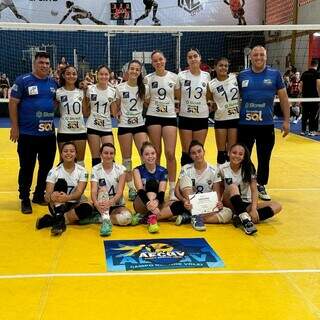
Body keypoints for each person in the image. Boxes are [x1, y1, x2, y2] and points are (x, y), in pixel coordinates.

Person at [237, 45, 290, 201]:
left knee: (264, 157)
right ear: (251, 57)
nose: (258, 57)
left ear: (266, 57)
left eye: (261, 55)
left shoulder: (275, 75)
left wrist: (286, 120)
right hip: (245, 124)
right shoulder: (242, 75)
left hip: (266, 125)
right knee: (243, 156)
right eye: (255, 55)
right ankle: (245, 182)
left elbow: (284, 98)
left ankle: (261, 184)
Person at [9, 51, 57, 214]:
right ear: (34, 64)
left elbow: (55, 103)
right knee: (27, 167)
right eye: (41, 62)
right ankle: (25, 198)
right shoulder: (23, 81)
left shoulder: (53, 83)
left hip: (48, 135)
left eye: (47, 63)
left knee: (46, 167)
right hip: (28, 134)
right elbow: (13, 103)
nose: (44, 65)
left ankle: (38, 195)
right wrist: (15, 127)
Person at [158, 140, 232, 231]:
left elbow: (216, 193)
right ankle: (194, 215)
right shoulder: (186, 168)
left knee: (228, 213)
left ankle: (191, 217)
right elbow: (177, 190)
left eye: (199, 151)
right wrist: (184, 200)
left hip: (205, 205)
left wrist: (219, 203)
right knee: (169, 203)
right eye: (193, 153)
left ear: (204, 151)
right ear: (190, 156)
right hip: (189, 204)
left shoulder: (213, 170)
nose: (197, 155)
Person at [214, 143, 282, 235]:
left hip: (246, 204)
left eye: (240, 154)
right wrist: (218, 201)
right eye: (234, 152)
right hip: (230, 203)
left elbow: (254, 191)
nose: (237, 156)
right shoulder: (222, 168)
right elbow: (218, 188)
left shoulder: (248, 168)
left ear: (244, 156)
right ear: (229, 153)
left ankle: (243, 217)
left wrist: (253, 209)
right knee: (233, 186)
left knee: (277, 205)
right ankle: (246, 220)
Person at [36, 142, 93, 235]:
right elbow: (47, 195)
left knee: (88, 208)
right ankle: (59, 218)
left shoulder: (82, 171)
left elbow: (79, 192)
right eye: (65, 151)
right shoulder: (54, 171)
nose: (68, 153)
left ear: (76, 154)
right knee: (61, 183)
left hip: (74, 203)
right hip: (58, 204)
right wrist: (51, 196)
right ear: (61, 154)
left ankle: (54, 220)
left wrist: (68, 198)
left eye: (72, 151)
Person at [145, 50, 180, 200]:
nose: (158, 62)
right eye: (155, 61)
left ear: (165, 60)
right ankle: (157, 187)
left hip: (170, 117)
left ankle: (172, 188)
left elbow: (178, 96)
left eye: (160, 59)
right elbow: (145, 99)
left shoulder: (174, 77)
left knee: (170, 153)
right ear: (152, 63)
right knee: (155, 153)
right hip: (153, 116)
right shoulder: (148, 79)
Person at [114, 60, 149, 201]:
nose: (134, 71)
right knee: (126, 159)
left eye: (137, 69)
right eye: (132, 69)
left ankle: (143, 184)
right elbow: (116, 106)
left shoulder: (144, 88)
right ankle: (131, 187)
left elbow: (147, 103)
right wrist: (117, 114)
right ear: (127, 70)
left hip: (139, 125)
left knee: (144, 155)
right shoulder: (120, 87)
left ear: (140, 72)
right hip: (124, 126)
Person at [90, 143, 138, 237]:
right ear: (101, 154)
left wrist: (110, 202)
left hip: (116, 203)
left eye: (111, 153)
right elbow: (93, 191)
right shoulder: (96, 169)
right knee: (102, 190)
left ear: (114, 155)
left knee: (127, 218)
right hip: (101, 202)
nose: (108, 156)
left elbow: (120, 192)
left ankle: (101, 218)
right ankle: (106, 221)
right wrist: (96, 203)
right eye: (106, 153)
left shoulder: (121, 169)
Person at [177, 48, 211, 166]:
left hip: (201, 117)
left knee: (197, 152)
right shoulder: (181, 76)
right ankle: (185, 180)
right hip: (185, 117)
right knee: (186, 152)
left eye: (195, 56)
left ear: (200, 58)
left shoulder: (207, 76)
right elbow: (176, 94)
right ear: (187, 60)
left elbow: (209, 96)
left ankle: (197, 180)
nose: (193, 59)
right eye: (190, 57)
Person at [208, 57, 239, 165]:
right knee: (221, 152)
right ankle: (219, 177)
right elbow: (210, 101)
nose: (223, 68)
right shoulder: (211, 84)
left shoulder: (234, 78)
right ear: (215, 67)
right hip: (221, 118)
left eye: (226, 66)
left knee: (231, 151)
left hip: (234, 118)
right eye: (221, 65)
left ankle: (231, 177)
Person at [85, 65, 117, 167]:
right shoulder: (90, 89)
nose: (104, 76)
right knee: (96, 158)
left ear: (109, 76)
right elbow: (85, 111)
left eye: (106, 74)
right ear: (97, 75)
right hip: (92, 126)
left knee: (110, 155)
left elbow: (114, 112)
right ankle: (97, 182)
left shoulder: (113, 91)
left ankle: (110, 180)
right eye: (101, 74)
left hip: (106, 127)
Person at [133, 141, 168, 233]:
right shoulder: (137, 170)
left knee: (173, 204)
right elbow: (140, 191)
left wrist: (155, 202)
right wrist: (150, 204)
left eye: (153, 153)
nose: (150, 156)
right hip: (141, 202)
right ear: (142, 157)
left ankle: (148, 217)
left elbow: (161, 193)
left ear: (156, 154)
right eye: (147, 154)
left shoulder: (163, 171)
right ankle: (153, 219)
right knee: (151, 184)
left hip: (157, 203)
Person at [56, 65, 87, 167]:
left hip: (80, 131)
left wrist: (86, 92)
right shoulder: (58, 92)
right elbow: (51, 109)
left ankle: (81, 183)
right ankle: (64, 183)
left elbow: (86, 112)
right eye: (68, 74)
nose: (71, 76)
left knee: (80, 163)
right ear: (63, 76)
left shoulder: (81, 92)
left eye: (74, 74)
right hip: (64, 131)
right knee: (64, 162)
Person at [300, 59, 320, 136]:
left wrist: (302, 94)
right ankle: (312, 131)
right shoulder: (317, 73)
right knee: (313, 114)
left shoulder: (304, 73)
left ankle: (303, 130)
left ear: (310, 64)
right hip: (314, 98)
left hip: (305, 98)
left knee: (305, 114)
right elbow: (318, 85)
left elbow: (300, 86)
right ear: (317, 65)